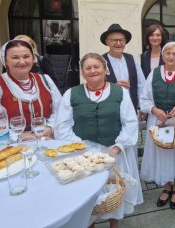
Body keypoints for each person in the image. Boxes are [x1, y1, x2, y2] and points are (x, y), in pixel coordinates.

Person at [54, 53, 143, 228]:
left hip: (114, 151)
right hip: (83, 156)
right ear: (82, 72)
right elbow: (62, 127)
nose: (93, 70)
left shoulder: (120, 92)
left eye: (97, 66)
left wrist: (117, 147)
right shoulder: (71, 94)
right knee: (87, 197)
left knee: (114, 192)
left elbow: (130, 122)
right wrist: (84, 150)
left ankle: (114, 224)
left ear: (105, 69)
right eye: (88, 68)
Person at [140, 42, 175, 209]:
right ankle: (167, 186)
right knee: (163, 153)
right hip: (158, 121)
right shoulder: (154, 74)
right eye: (168, 53)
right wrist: (154, 109)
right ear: (163, 56)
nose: (171, 56)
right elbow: (144, 99)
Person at [0, 40, 61, 146]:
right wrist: (16, 136)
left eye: (26, 56)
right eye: (15, 57)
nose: (22, 62)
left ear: (33, 59)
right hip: (10, 146)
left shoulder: (45, 80)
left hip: (46, 142)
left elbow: (60, 110)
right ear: (5, 61)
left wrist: (50, 128)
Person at [100, 24, 145, 116]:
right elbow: (94, 87)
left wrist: (142, 107)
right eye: (114, 40)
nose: (118, 43)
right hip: (109, 111)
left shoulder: (132, 59)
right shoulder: (100, 62)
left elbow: (141, 85)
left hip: (131, 109)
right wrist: (112, 87)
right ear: (107, 42)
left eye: (121, 40)